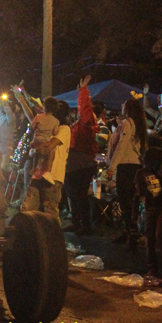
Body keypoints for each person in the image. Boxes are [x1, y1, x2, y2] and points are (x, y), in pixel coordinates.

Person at [20, 101, 71, 224]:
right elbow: (35, 151)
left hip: (52, 177)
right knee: (27, 209)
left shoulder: (64, 129)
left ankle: (54, 240)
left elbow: (48, 146)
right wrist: (34, 151)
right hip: (38, 174)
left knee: (50, 213)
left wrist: (35, 149)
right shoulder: (47, 126)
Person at [106, 97, 148, 247]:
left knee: (125, 201)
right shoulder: (137, 124)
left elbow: (121, 146)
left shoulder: (128, 123)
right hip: (134, 165)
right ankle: (130, 231)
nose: (121, 106)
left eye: (124, 104)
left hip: (126, 166)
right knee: (131, 201)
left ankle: (131, 233)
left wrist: (111, 167)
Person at [64, 76, 99, 235]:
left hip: (82, 164)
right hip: (74, 164)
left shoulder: (86, 124)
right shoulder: (78, 124)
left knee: (80, 196)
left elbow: (85, 109)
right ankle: (76, 222)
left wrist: (84, 91)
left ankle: (84, 225)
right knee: (73, 195)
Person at [135, 146, 162, 276]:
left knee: (159, 235)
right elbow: (138, 193)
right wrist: (136, 213)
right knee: (150, 237)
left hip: (161, 207)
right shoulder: (141, 173)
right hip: (149, 207)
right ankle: (152, 266)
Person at [29, 97, 60, 179]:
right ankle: (48, 169)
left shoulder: (38, 116)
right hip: (47, 140)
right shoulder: (56, 121)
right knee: (51, 152)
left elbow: (32, 126)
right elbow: (55, 132)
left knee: (35, 151)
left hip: (37, 138)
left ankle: (34, 167)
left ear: (44, 107)